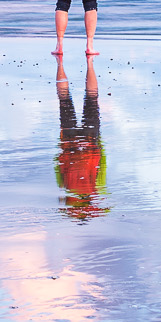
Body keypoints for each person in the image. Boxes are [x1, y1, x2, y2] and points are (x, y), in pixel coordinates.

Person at [54, 53, 106, 220]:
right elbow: (58, 165)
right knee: (64, 101)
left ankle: (88, 64)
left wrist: (100, 143)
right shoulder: (65, 189)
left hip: (91, 142)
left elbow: (102, 165)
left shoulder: (97, 190)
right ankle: (68, 65)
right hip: (69, 142)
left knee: (92, 99)